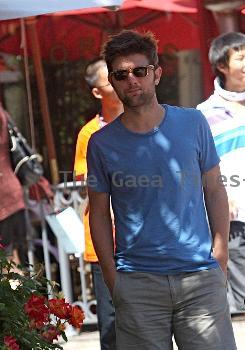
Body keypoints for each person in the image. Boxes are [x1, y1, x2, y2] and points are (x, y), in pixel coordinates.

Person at [87, 29, 236, 350]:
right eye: (121, 74)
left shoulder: (193, 123)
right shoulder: (100, 143)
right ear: (112, 82)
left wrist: (220, 255)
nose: (132, 80)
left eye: (140, 71)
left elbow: (215, 190)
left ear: (156, 74)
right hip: (137, 282)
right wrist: (114, 280)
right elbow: (97, 214)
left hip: (199, 278)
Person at [197, 32, 245, 350]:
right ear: (222, 65)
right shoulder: (202, 114)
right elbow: (199, 169)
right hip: (236, 221)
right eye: (240, 57)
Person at [74, 58, 123, 350]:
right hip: (105, 242)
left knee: (147, 317)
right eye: (112, 79)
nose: (121, 83)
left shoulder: (143, 124)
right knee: (111, 322)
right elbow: (86, 181)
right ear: (96, 92)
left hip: (143, 239)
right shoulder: (89, 134)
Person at [0, 103, 27, 273]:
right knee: (10, 259)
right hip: (9, 195)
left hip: (5, 200)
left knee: (8, 262)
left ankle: (19, 299)